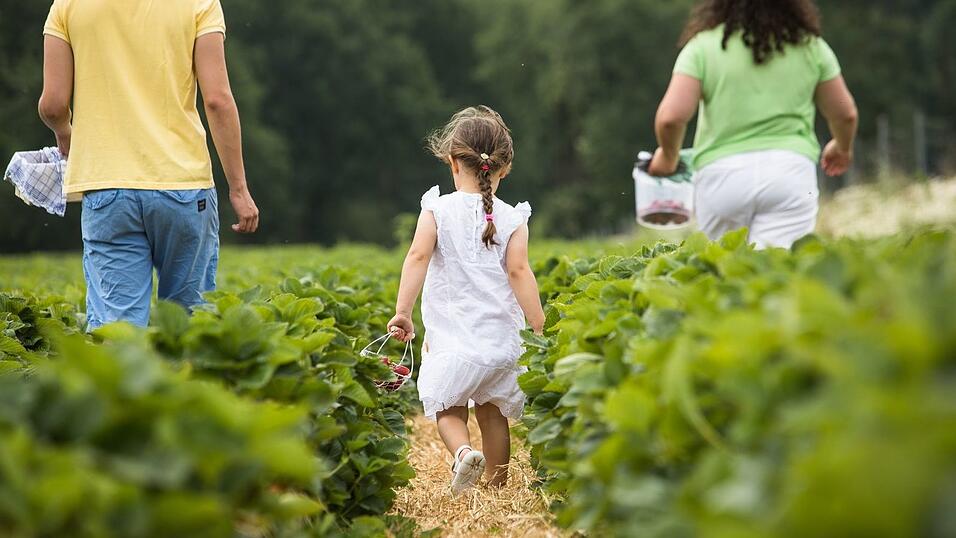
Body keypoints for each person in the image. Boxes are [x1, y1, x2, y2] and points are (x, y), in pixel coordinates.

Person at [38, 0, 259, 329]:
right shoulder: (200, 4)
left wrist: (65, 133)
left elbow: (54, 104)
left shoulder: (68, 5)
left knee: (117, 333)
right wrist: (238, 188)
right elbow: (217, 100)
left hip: (107, 187)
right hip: (184, 186)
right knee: (190, 326)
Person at [387, 106, 545, 495]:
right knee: (494, 417)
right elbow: (520, 273)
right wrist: (539, 326)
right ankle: (496, 489)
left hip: (454, 340)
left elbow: (417, 257)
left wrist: (403, 311)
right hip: (500, 343)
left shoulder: (437, 210)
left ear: (453, 162)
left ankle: (461, 454)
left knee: (447, 408)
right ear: (503, 169)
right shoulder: (512, 219)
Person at [649, 0, 859, 249]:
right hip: (788, 174)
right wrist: (842, 147)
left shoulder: (702, 47)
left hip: (722, 179)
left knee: (725, 271)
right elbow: (845, 114)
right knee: (778, 273)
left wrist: (668, 155)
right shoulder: (811, 46)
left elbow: (671, 117)